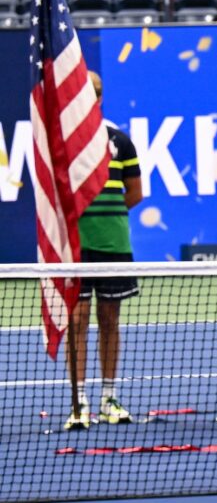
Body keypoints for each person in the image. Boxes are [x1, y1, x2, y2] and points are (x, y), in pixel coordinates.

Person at [64, 72, 142, 431]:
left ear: (101, 97)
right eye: (84, 93)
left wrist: (106, 213)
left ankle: (108, 397)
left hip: (113, 245)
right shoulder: (63, 142)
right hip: (76, 249)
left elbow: (135, 194)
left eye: (95, 93)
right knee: (77, 321)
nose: (90, 99)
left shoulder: (121, 142)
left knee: (109, 321)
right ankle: (79, 403)